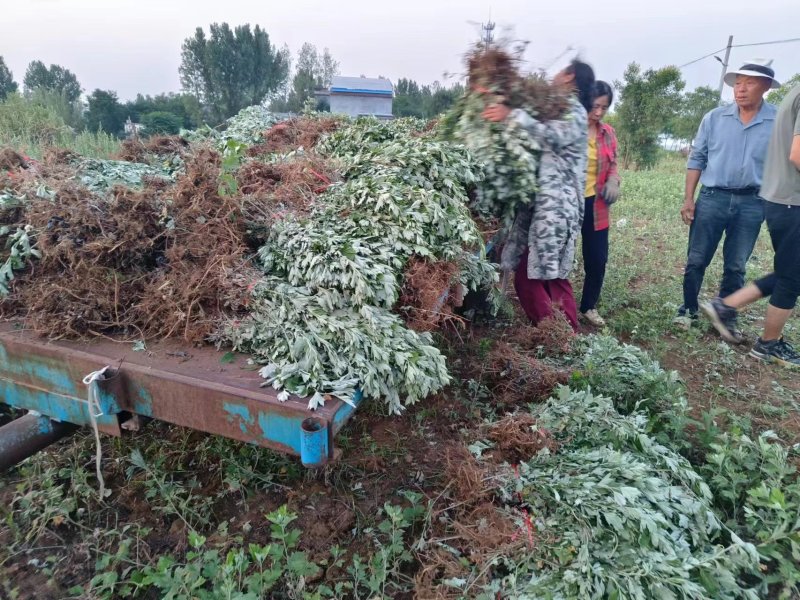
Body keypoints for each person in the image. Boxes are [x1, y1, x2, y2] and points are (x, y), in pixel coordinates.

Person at [485, 59, 594, 331]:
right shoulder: (560, 107)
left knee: (534, 276)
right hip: (549, 205)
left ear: (569, 77)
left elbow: (548, 136)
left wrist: (510, 115)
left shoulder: (572, 111)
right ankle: (564, 333)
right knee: (548, 274)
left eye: (560, 71)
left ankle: (557, 334)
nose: (553, 75)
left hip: (556, 208)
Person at [675, 59, 780, 337]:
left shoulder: (778, 121)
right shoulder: (714, 118)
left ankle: (725, 314)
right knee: (697, 258)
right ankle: (687, 309)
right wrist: (689, 198)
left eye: (749, 83)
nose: (740, 89)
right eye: (737, 83)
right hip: (712, 198)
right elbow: (697, 158)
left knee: (736, 265)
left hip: (752, 203)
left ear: (766, 86)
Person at [702, 85, 800, 366]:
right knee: (791, 277)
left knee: (789, 270)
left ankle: (725, 305)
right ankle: (767, 345)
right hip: (793, 200)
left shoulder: (794, 93)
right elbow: (797, 154)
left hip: (779, 198)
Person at [579, 80, 620, 327]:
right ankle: (553, 304)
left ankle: (588, 306)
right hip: (568, 205)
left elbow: (613, 163)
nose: (598, 112)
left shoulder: (607, 133)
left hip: (596, 205)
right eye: (594, 106)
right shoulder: (569, 130)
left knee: (597, 258)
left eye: (603, 108)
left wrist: (614, 181)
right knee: (561, 256)